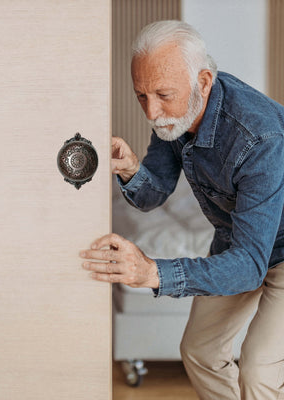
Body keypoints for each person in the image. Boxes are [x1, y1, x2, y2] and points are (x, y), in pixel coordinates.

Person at [79, 20, 284, 399]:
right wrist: (133, 170)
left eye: (162, 95)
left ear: (204, 81)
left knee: (258, 371)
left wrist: (153, 272)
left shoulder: (259, 137)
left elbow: (250, 265)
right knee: (200, 350)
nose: (153, 112)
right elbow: (153, 195)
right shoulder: (176, 113)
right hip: (237, 240)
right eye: (142, 96)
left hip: (276, 250)